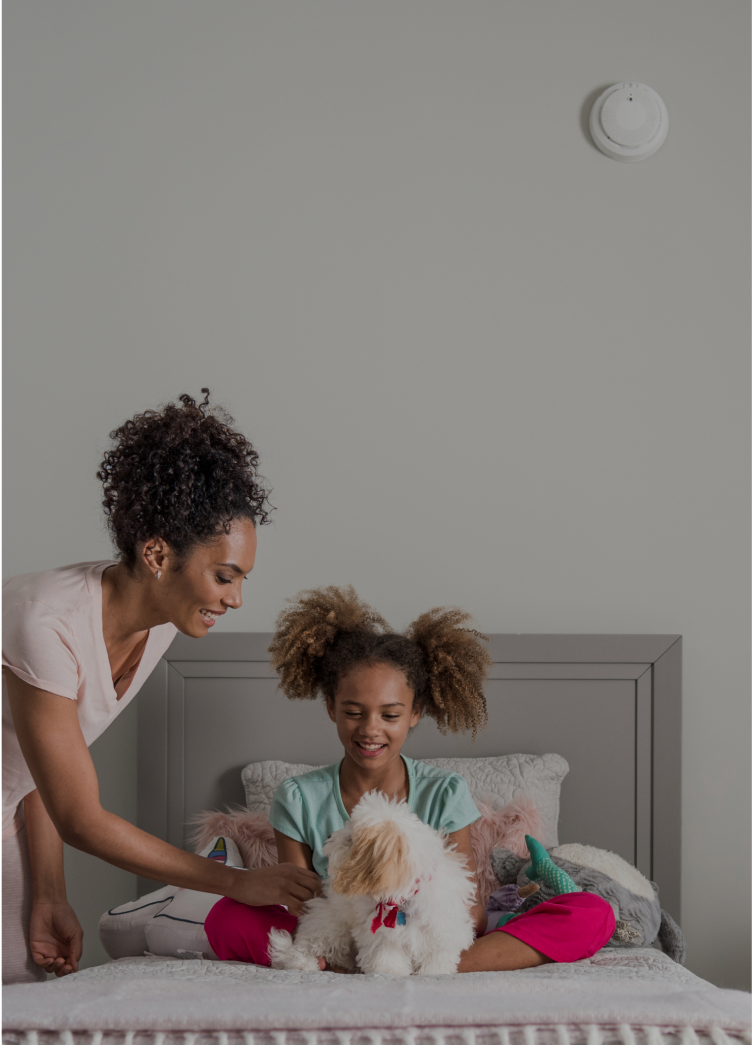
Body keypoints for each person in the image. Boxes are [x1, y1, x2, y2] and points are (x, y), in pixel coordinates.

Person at [1, 392, 322, 985]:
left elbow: (40, 771)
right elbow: (80, 816)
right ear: (157, 554)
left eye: (242, 579)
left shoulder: (160, 626)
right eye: (224, 576)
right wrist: (237, 882)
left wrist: (48, 893)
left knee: (20, 1005)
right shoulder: (44, 621)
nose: (236, 599)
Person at [204, 587, 616, 971]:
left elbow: (466, 906)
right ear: (330, 707)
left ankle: (431, 968)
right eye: (353, 712)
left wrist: (410, 926)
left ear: (415, 713)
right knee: (226, 918)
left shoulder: (445, 791)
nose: (370, 729)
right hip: (346, 933)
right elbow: (300, 904)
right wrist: (369, 923)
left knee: (592, 912)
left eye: (390, 714)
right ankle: (363, 964)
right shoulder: (296, 797)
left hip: (432, 936)